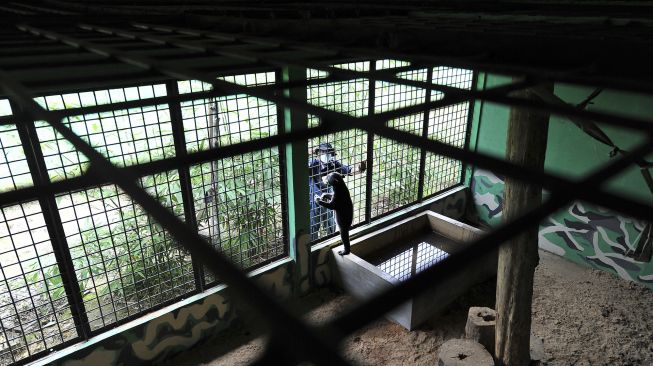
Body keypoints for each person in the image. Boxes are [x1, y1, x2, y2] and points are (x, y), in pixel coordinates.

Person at [308, 142, 365, 241]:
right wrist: (310, 152)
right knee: (313, 227)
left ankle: (331, 243)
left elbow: (348, 170)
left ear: (331, 154)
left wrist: (359, 169)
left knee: (330, 226)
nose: (325, 154)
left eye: (328, 152)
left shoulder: (333, 164)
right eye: (323, 152)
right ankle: (313, 247)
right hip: (314, 200)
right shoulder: (313, 164)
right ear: (319, 153)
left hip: (329, 199)